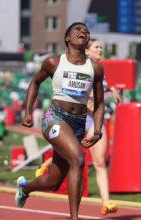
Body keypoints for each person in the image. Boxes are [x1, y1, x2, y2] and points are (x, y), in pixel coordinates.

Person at [15, 22, 105, 220]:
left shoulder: (96, 69)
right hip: (55, 118)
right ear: (67, 38)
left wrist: (97, 131)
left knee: (53, 182)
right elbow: (35, 83)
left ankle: (25, 188)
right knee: (78, 159)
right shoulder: (53, 63)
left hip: (78, 124)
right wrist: (28, 111)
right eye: (77, 30)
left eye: (86, 31)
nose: (83, 32)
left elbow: (99, 104)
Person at [35, 38, 121, 215]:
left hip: (94, 121)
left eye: (101, 47)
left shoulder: (99, 71)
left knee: (99, 162)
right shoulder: (76, 68)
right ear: (87, 51)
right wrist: (86, 102)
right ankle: (49, 163)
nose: (101, 50)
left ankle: (106, 202)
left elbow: (101, 88)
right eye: (97, 47)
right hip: (76, 119)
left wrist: (112, 89)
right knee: (72, 156)